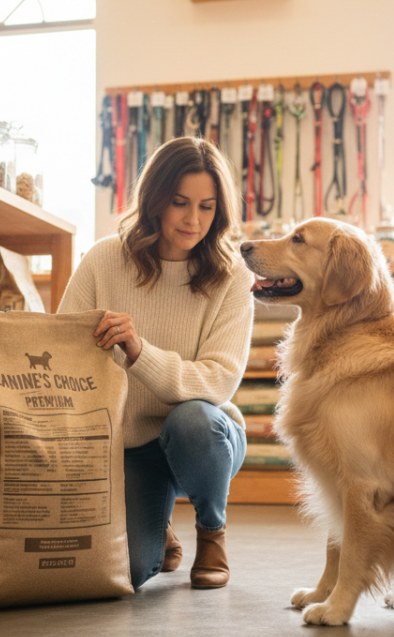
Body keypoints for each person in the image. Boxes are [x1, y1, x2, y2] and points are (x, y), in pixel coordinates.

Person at [57, 136, 253, 590]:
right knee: (128, 570)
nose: (193, 219)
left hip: (204, 437)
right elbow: (63, 349)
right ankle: (156, 527)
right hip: (127, 445)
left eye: (207, 207)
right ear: (155, 200)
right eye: (180, 202)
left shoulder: (232, 277)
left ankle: (211, 531)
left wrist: (139, 354)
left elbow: (219, 380)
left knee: (192, 421)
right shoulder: (103, 259)